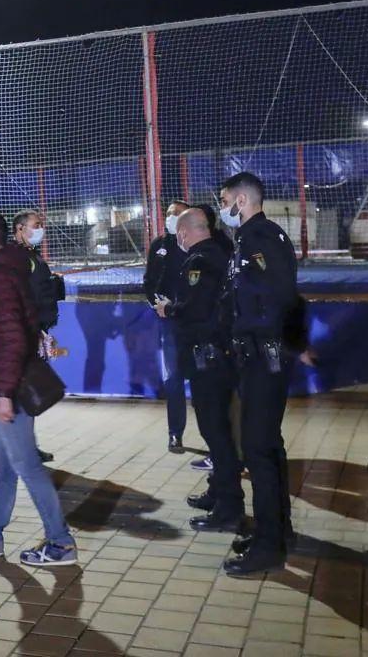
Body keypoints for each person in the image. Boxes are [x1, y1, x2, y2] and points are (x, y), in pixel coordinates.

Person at [0, 210, 78, 567]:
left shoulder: (0, 277)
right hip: (1, 382)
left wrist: (5, 393)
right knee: (6, 463)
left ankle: (61, 542)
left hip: (5, 385)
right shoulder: (10, 268)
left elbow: (10, 338)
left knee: (26, 465)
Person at [217, 172, 299, 576]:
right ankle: (279, 530)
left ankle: (269, 545)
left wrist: (259, 338)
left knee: (257, 450)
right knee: (268, 445)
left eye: (225, 200)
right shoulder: (258, 237)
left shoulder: (258, 238)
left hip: (264, 357)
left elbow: (277, 295)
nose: (223, 208)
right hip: (267, 355)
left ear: (242, 200)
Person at [154, 209, 244, 532]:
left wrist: (168, 308)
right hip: (219, 356)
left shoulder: (199, 261)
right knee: (217, 431)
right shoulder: (221, 254)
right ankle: (219, 492)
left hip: (208, 359)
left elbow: (195, 307)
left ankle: (229, 507)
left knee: (215, 433)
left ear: (183, 234)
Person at [12, 209, 64, 464]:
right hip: (26, 334)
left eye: (42, 224)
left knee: (30, 392)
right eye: (36, 225)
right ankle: (21, 449)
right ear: (20, 229)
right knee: (24, 392)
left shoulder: (31, 255)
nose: (41, 228)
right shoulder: (17, 258)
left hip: (37, 331)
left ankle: (28, 446)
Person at [189, 203, 238, 473]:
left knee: (214, 418)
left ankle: (226, 493)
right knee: (218, 416)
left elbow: (199, 305)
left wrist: (172, 308)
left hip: (212, 348)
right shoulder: (224, 248)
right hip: (222, 346)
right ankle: (221, 484)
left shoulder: (209, 255)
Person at [143, 199, 191, 454]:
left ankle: (217, 440)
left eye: (178, 213)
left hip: (196, 321)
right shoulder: (159, 245)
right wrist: (157, 304)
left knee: (205, 378)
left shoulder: (197, 245)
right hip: (169, 322)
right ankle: (176, 434)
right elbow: (149, 281)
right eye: (169, 213)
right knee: (173, 379)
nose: (172, 217)